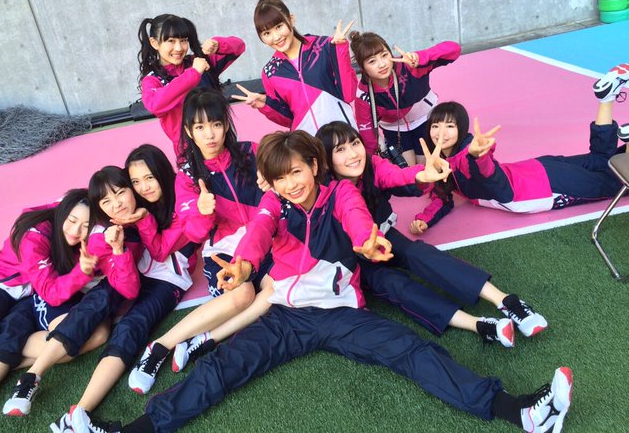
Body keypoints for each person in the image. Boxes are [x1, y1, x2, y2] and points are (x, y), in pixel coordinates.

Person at [71, 131, 573, 433]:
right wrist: (242, 266)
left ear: (313, 165)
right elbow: (259, 232)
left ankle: (520, 412)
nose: (290, 184)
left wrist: (367, 241)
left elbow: (357, 219)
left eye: (296, 172)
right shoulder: (274, 204)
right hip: (286, 318)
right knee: (220, 369)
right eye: (279, 177)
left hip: (342, 316)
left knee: (413, 351)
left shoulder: (340, 195)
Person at [316, 121, 548, 347]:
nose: (352, 154)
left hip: (382, 238)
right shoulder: (329, 191)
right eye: (340, 150)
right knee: (393, 283)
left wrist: (423, 175)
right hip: (352, 258)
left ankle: (506, 301)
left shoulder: (373, 165)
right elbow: (352, 215)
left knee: (419, 253)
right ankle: (480, 325)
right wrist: (366, 241)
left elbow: (396, 176)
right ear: (326, 160)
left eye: (355, 143)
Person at [120, 88, 274, 398]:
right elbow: (193, 234)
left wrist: (273, 182)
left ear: (226, 125)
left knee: (276, 292)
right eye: (200, 127)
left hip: (266, 240)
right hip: (225, 250)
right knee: (244, 294)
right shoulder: (188, 177)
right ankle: (159, 347)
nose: (210, 134)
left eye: (216, 124)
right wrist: (204, 212)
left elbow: (281, 188)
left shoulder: (251, 152)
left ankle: (205, 340)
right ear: (189, 132)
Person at [48, 145, 201, 431]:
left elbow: (160, 250)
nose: (143, 187)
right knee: (99, 299)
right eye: (135, 181)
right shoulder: (128, 201)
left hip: (168, 276)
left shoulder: (182, 200)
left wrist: (141, 219)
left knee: (132, 325)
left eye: (149, 178)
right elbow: (102, 208)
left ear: (162, 173)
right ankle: (73, 416)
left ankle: (79, 413)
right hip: (133, 267)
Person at [0, 189, 107, 432]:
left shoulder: (77, 213)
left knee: (14, 337)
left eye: (86, 226)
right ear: (63, 213)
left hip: (30, 295)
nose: (76, 231)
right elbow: (51, 292)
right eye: (72, 221)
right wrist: (82, 272)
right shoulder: (35, 235)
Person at [411, 64, 629, 234]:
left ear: (462, 130)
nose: (441, 132)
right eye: (436, 126)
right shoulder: (438, 162)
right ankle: (607, 98)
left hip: (544, 188)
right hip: (539, 168)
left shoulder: (467, 153)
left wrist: (477, 155)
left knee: (619, 183)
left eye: (450, 126)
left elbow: (487, 173)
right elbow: (441, 196)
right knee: (601, 159)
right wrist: (424, 220)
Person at [2, 167, 143, 418]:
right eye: (107, 201)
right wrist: (98, 258)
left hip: (84, 296)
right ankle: (30, 378)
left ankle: (8, 361)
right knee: (87, 316)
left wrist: (121, 247)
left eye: (121, 193)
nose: (116, 204)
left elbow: (130, 289)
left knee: (100, 335)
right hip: (63, 292)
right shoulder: (95, 232)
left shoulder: (122, 227)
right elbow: (63, 211)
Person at [231, 0, 357, 135]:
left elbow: (348, 94)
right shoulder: (270, 72)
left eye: (279, 26)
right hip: (307, 143)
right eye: (267, 33)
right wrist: (264, 104)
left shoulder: (324, 46)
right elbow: (288, 119)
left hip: (343, 137)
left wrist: (340, 49)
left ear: (291, 19)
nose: (276, 37)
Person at [349, 30, 460, 166]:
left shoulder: (410, 66)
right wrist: (373, 164)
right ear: (362, 67)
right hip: (394, 130)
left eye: (384, 55)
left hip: (425, 120)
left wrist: (420, 58)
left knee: (427, 165)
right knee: (407, 169)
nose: (382, 64)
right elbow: (367, 133)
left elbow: (454, 49)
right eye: (372, 61)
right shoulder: (363, 94)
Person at [138, 14, 245, 154]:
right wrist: (193, 74)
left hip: (224, 146)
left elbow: (239, 46)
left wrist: (218, 45)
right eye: (171, 41)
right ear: (154, 43)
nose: (178, 48)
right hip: (190, 155)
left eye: (183, 40)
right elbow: (154, 104)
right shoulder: (153, 80)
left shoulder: (200, 61)